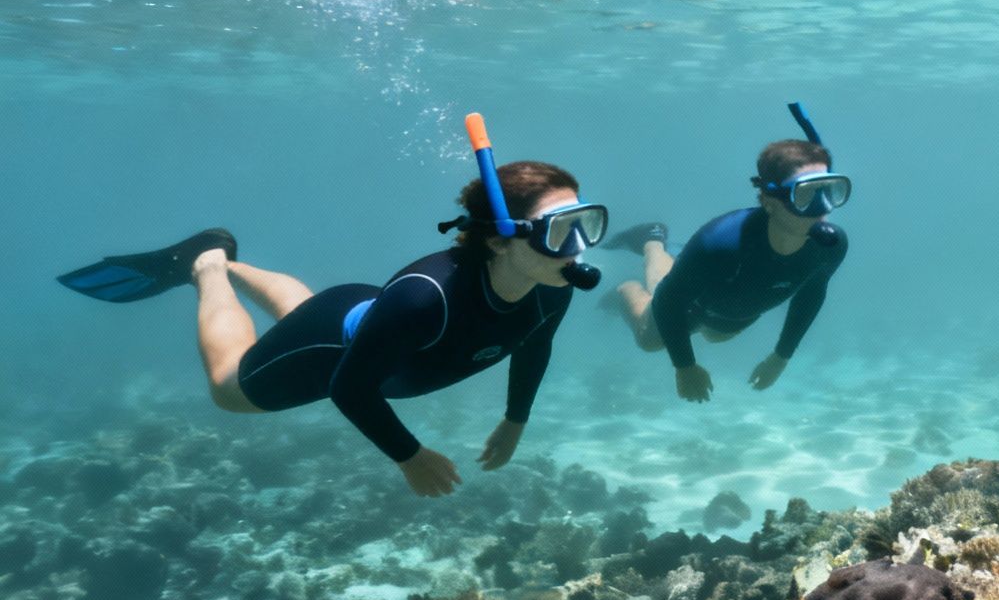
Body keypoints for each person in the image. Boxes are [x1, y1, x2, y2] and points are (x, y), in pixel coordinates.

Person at [55, 160, 606, 497]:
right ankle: (207, 267)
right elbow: (349, 386)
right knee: (230, 390)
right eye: (562, 230)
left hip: (368, 319)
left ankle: (226, 258)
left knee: (310, 311)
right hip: (333, 347)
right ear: (498, 239)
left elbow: (535, 345)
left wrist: (515, 420)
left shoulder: (551, 284)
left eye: (586, 224)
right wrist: (408, 455)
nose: (578, 247)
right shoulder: (424, 297)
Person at [608, 106, 849, 402]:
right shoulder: (718, 244)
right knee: (650, 336)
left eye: (829, 191)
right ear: (770, 202)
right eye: (805, 195)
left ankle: (680, 262)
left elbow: (811, 293)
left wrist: (781, 356)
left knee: (716, 336)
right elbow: (671, 300)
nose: (822, 207)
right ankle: (651, 243)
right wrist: (685, 366)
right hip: (692, 302)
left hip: (736, 311)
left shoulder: (830, 247)